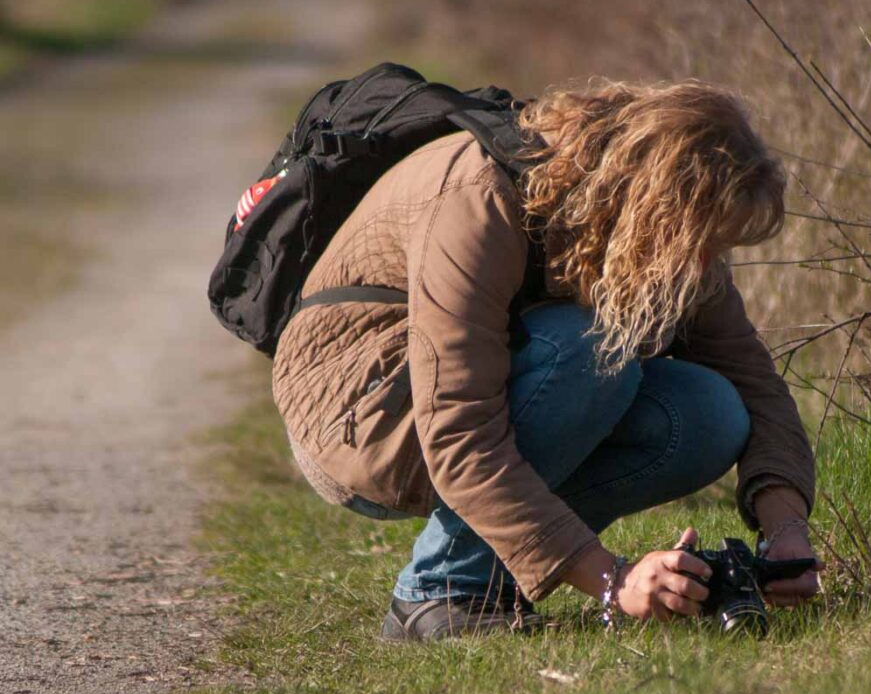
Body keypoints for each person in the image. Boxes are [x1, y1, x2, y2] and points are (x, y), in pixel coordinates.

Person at [272, 78, 820, 641]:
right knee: (588, 349)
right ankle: (442, 589)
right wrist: (614, 581)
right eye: (700, 240)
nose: (706, 260)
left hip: (474, 398)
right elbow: (459, 436)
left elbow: (752, 380)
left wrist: (784, 531)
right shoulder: (478, 199)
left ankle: (501, 567)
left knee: (711, 414)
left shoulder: (661, 234)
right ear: (656, 208)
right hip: (359, 410)